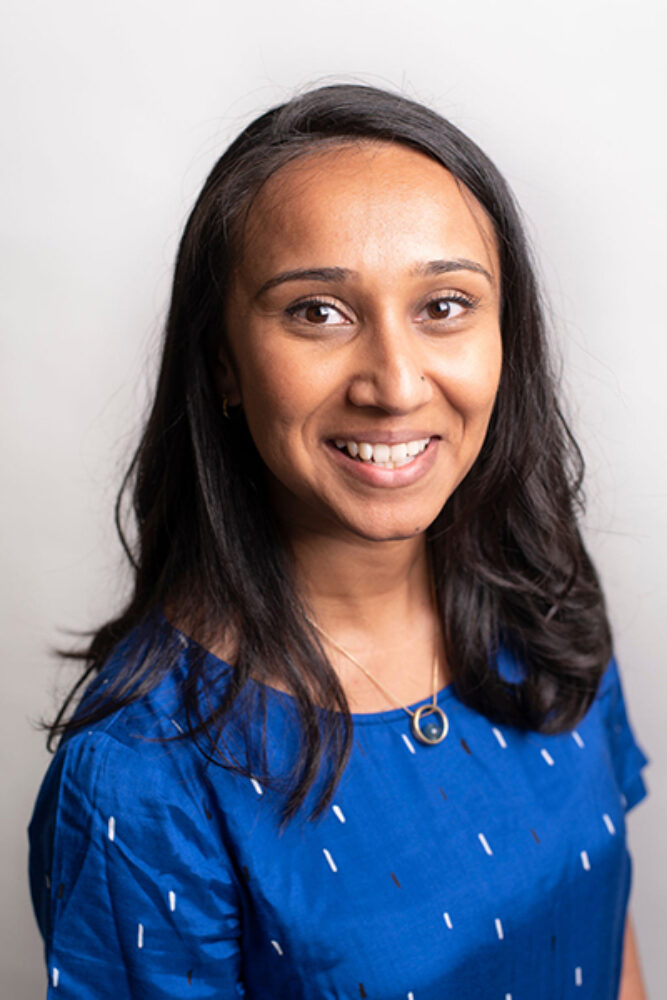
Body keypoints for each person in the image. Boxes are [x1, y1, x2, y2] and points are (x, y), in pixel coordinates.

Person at [28, 83, 650, 999]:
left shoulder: (543, 596)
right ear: (223, 365)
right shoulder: (139, 780)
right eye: (318, 311)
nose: (396, 385)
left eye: (444, 305)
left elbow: (605, 935)